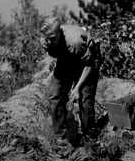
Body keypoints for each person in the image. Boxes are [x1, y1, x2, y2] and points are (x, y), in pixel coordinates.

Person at [41, 18, 102, 147]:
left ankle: (89, 139)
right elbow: (59, 55)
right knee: (55, 93)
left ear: (60, 33)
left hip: (88, 62)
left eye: (52, 38)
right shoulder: (46, 41)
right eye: (47, 38)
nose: (49, 41)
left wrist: (77, 88)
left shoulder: (75, 42)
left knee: (85, 101)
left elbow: (89, 66)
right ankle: (62, 138)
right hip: (68, 58)